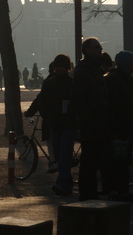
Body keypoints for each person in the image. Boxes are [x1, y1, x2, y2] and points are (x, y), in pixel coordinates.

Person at [72, 37, 111, 201]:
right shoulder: (85, 71)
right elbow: (80, 99)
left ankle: (91, 192)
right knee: (90, 159)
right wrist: (89, 118)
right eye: (97, 47)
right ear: (87, 50)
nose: (100, 50)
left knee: (94, 158)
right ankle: (88, 193)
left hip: (98, 120)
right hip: (92, 122)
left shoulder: (93, 69)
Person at [103, 51, 133, 201]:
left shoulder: (110, 80)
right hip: (122, 126)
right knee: (121, 161)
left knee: (116, 160)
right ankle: (120, 190)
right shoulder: (125, 83)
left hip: (115, 126)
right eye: (132, 62)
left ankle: (114, 189)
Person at [39, 54, 77, 196]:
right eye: (58, 66)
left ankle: (62, 183)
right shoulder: (70, 83)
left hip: (65, 124)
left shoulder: (51, 83)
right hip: (58, 123)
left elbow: (42, 102)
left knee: (64, 154)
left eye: (62, 66)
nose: (60, 69)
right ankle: (66, 184)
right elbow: (43, 102)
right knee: (62, 155)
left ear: (66, 67)